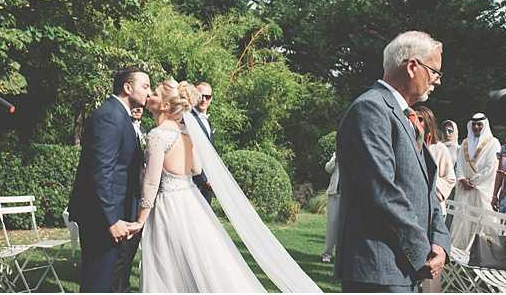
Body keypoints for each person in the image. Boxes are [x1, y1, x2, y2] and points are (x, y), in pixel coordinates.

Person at [124, 78, 321, 292]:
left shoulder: (158, 135)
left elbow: (152, 182)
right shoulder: (186, 134)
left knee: (167, 267)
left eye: (154, 94)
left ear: (163, 105)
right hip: (191, 201)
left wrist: (140, 220)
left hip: (168, 205)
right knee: (204, 262)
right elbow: (197, 169)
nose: (149, 96)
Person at [335, 31, 450, 293]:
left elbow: (427, 191)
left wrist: (440, 243)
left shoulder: (405, 116)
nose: (437, 80)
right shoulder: (370, 109)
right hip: (379, 269)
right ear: (412, 67)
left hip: (403, 268)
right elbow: (382, 192)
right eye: (434, 71)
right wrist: (423, 252)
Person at [67, 67, 151, 292]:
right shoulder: (110, 116)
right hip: (100, 219)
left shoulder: (121, 115)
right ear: (127, 87)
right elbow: (101, 172)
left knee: (106, 281)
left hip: (111, 215)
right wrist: (111, 220)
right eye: (145, 86)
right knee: (98, 283)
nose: (149, 92)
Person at [414, 106, 456, 293]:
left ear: (429, 123)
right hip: (414, 210)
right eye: (417, 118)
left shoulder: (440, 149)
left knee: (433, 251)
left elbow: (450, 178)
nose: (418, 123)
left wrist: (433, 190)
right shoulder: (409, 143)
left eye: (422, 120)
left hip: (434, 208)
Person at [450, 113, 501, 251]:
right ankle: (459, 250)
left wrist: (473, 182)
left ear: (485, 125)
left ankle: (488, 254)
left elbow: (492, 167)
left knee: (485, 220)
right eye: (474, 124)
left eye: (479, 124)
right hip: (465, 188)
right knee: (463, 220)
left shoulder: (493, 143)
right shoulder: (465, 143)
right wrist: (461, 179)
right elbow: (459, 164)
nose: (476, 127)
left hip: (482, 189)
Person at [190, 81, 214, 204]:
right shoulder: (188, 119)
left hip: (209, 181)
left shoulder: (209, 122)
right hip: (195, 180)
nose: (204, 99)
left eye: (207, 97)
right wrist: (204, 180)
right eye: (200, 96)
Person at [322, 152, 340, 263]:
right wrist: (336, 159)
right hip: (334, 194)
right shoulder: (336, 153)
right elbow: (328, 168)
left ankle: (342, 255)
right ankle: (327, 253)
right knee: (332, 225)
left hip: (349, 196)